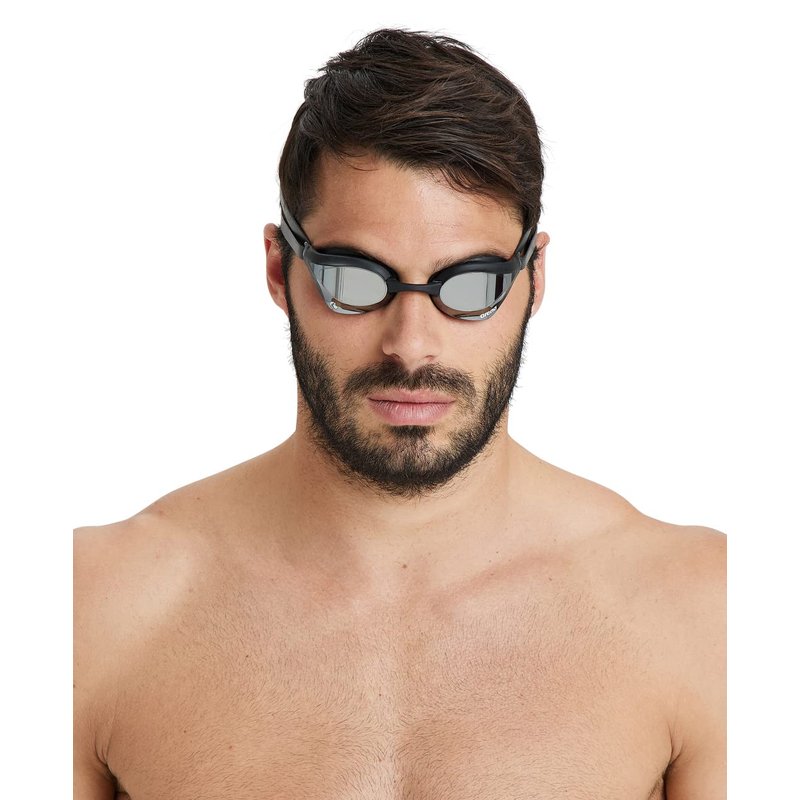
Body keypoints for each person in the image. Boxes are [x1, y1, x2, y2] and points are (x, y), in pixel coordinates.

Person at [74, 28, 725, 800]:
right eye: (356, 279)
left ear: (534, 278)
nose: (412, 345)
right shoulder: (96, 606)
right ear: (280, 269)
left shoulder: (700, 609)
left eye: (470, 283)